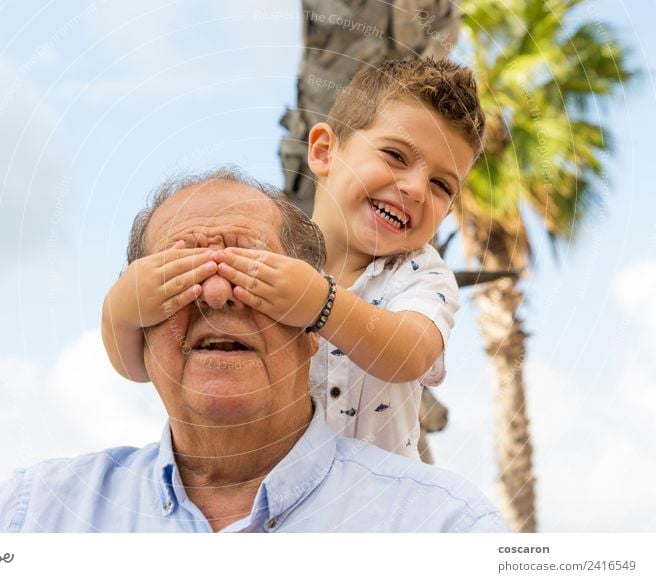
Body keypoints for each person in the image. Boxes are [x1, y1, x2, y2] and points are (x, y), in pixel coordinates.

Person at [0, 171, 507, 532]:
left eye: (256, 271)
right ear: (141, 323)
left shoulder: (442, 529)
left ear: (318, 324)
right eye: (178, 273)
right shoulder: (31, 518)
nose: (218, 293)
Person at [103, 57, 483, 459]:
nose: (417, 189)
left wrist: (322, 304)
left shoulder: (420, 274)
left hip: (375, 507)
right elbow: (136, 368)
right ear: (322, 152)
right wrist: (125, 306)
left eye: (442, 185)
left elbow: (411, 354)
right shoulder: (266, 248)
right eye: (395, 155)